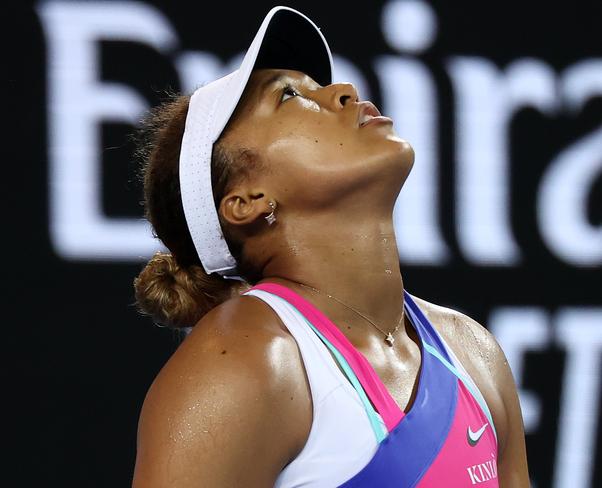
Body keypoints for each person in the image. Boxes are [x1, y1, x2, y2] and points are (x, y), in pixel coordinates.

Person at [131, 6, 529, 487]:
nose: (344, 91)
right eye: (290, 96)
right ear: (247, 200)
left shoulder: (472, 351)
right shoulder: (246, 360)